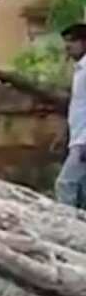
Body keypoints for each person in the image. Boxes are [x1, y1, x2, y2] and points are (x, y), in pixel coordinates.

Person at [56, 24, 86, 208]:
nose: (68, 46)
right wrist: (64, 134)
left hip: (83, 141)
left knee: (65, 184)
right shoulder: (79, 70)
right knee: (81, 191)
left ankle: (66, 227)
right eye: (66, 41)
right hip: (77, 137)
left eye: (72, 41)